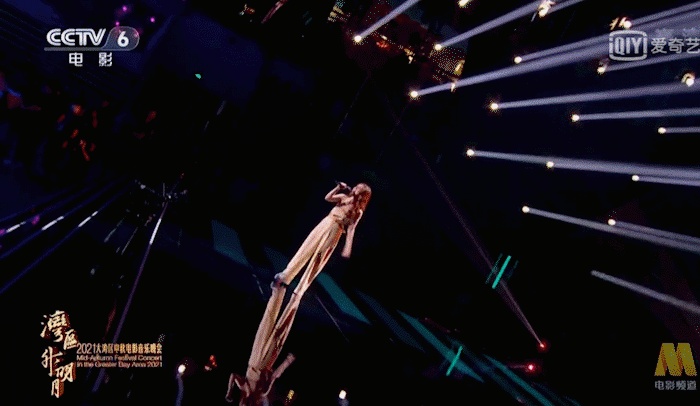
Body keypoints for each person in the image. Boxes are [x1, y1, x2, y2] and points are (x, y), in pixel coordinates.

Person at [226, 182, 371, 405]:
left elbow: (351, 230)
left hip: (335, 232)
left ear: (363, 196)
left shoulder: (357, 211)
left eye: (360, 190)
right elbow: (327, 198)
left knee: (316, 262)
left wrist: (347, 248)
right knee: (306, 250)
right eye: (357, 188)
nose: (356, 190)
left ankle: (296, 289)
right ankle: (287, 277)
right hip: (325, 224)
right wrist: (338, 189)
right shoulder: (344, 198)